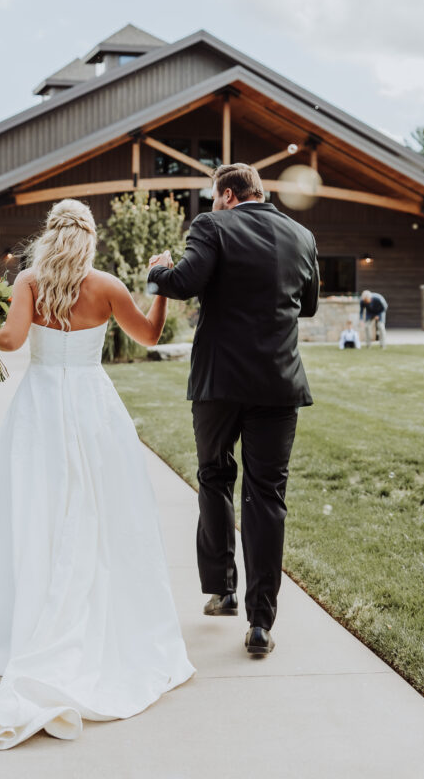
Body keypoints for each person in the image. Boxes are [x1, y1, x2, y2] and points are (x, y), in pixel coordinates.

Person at [0, 199, 193, 750]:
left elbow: (9, 343)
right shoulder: (107, 286)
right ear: (90, 236)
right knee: (101, 509)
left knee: (29, 507)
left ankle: (11, 620)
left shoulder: (30, 280)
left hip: (41, 408)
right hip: (93, 407)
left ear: (51, 234)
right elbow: (148, 336)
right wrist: (163, 285)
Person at [147, 163, 319, 657]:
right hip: (279, 385)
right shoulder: (302, 235)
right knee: (267, 496)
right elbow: (306, 305)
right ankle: (261, 621)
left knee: (215, 476)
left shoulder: (211, 225)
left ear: (226, 195)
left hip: (218, 383)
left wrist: (158, 269)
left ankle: (222, 590)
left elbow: (181, 283)